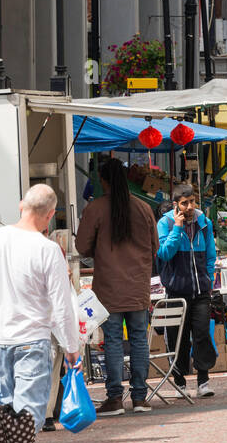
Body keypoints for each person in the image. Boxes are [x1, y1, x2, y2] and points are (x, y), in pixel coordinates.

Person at [0, 184, 79, 431]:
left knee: (6, 412)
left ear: (21, 206)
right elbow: (61, 305)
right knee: (28, 418)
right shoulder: (48, 249)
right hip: (32, 340)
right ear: (50, 215)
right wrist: (72, 347)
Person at [76, 158, 160, 415]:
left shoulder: (96, 208)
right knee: (138, 339)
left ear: (103, 181)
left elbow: (82, 247)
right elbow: (155, 246)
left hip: (109, 286)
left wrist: (101, 250)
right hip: (137, 286)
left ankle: (114, 398)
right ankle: (139, 397)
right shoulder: (144, 208)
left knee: (112, 340)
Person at [156, 184, 219, 398]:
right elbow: (164, 253)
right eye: (185, 203)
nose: (190, 207)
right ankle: (180, 381)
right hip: (176, 290)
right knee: (178, 338)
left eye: (192, 201)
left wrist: (209, 279)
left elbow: (210, 254)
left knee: (201, 333)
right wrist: (177, 228)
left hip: (201, 290)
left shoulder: (205, 223)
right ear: (176, 205)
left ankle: (203, 380)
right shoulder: (165, 223)